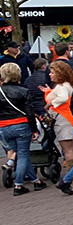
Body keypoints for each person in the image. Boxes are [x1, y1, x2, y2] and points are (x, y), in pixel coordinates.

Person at [0, 62, 44, 196]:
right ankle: (18, 185)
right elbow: (29, 112)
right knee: (24, 154)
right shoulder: (24, 91)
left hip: (4, 127)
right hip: (20, 125)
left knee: (19, 154)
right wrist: (34, 130)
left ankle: (36, 180)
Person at [46, 60, 73, 180]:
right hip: (70, 120)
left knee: (67, 148)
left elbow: (63, 98)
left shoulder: (61, 87)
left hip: (63, 120)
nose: (50, 74)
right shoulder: (69, 85)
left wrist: (50, 103)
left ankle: (72, 175)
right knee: (72, 147)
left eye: (52, 72)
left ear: (59, 73)